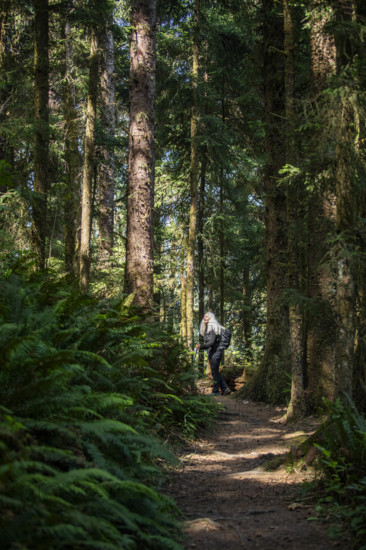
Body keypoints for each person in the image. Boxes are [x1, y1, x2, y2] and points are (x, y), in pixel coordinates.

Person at [196, 311, 231, 396]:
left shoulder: (212, 328)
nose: (205, 318)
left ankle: (215, 391)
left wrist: (201, 346)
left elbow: (211, 342)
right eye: (204, 317)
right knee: (215, 371)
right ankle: (225, 389)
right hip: (212, 352)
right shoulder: (208, 328)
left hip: (216, 351)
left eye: (207, 317)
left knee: (215, 371)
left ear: (211, 319)